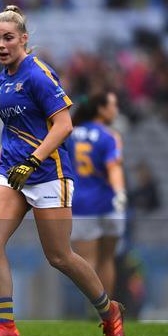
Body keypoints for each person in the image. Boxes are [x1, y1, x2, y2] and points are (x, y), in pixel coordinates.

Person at [0, 6, 125, 336]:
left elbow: (64, 125)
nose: (1, 45)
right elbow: (11, 129)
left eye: (8, 38)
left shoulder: (39, 74)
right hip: (12, 171)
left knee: (59, 257)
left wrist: (33, 160)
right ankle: (6, 326)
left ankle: (109, 312)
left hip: (47, 172)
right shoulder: (1, 80)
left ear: (24, 39)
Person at [70, 92, 127, 297]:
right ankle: (108, 314)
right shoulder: (110, 135)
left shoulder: (69, 133)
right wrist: (119, 192)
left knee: (86, 262)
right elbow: (114, 167)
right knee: (107, 260)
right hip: (109, 203)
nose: (115, 110)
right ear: (101, 109)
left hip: (81, 204)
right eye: (113, 105)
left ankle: (94, 309)